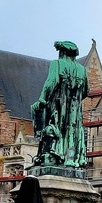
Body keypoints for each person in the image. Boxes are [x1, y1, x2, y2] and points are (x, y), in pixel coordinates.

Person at [31, 40, 89, 168]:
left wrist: (42, 99)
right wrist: (75, 99)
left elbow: (51, 82)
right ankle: (71, 158)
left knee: (57, 129)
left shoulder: (57, 64)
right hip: (75, 109)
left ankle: (57, 155)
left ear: (63, 52)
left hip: (58, 106)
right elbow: (86, 91)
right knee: (73, 131)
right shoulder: (82, 70)